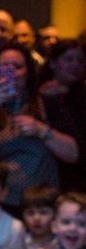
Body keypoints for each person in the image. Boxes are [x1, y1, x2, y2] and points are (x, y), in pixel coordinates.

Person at [0, 43, 78, 213]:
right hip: (3, 204)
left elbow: (73, 153)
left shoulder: (46, 101)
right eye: (5, 66)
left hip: (43, 204)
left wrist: (42, 131)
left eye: (17, 66)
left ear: (28, 71)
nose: (11, 70)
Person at [39, 39, 86, 192]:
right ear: (53, 63)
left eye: (80, 60)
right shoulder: (38, 95)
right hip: (48, 173)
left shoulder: (82, 96)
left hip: (79, 173)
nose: (75, 65)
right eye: (68, 59)